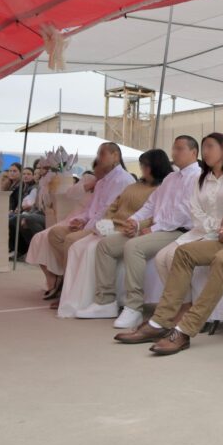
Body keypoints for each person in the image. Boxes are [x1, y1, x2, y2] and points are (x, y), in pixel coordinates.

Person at [116, 129, 223, 355]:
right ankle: (160, 322)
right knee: (185, 252)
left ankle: (186, 330)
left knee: (222, 258)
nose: (220, 153)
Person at [79, 138, 200, 329]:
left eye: (180, 149)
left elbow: (184, 212)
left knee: (133, 246)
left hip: (178, 231)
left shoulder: (196, 177)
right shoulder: (171, 178)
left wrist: (152, 229)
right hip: (158, 228)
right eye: (173, 148)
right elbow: (151, 205)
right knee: (106, 245)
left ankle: (133, 307)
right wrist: (133, 221)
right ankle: (106, 302)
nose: (174, 152)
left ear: (194, 153)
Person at [55, 151, 168, 315]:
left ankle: (99, 299)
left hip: (131, 230)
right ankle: (74, 298)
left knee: (91, 250)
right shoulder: (133, 185)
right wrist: (105, 222)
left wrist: (136, 225)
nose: (142, 169)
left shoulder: (160, 188)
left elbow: (154, 215)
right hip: (114, 226)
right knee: (76, 247)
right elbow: (114, 206)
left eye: (145, 165)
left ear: (154, 167)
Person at [45, 143, 134, 272]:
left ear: (115, 156)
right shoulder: (102, 181)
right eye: (98, 154)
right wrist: (81, 220)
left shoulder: (123, 180)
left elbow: (107, 211)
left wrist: (87, 225)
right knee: (55, 234)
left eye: (102, 154)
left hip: (108, 227)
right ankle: (71, 275)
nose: (98, 158)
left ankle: (70, 283)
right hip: (91, 224)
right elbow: (91, 209)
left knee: (71, 240)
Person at [26, 171, 96, 298]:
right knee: (38, 237)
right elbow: (71, 193)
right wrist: (90, 185)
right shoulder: (88, 178)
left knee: (50, 237)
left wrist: (83, 221)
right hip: (71, 219)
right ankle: (51, 278)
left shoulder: (108, 186)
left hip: (86, 223)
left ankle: (60, 278)